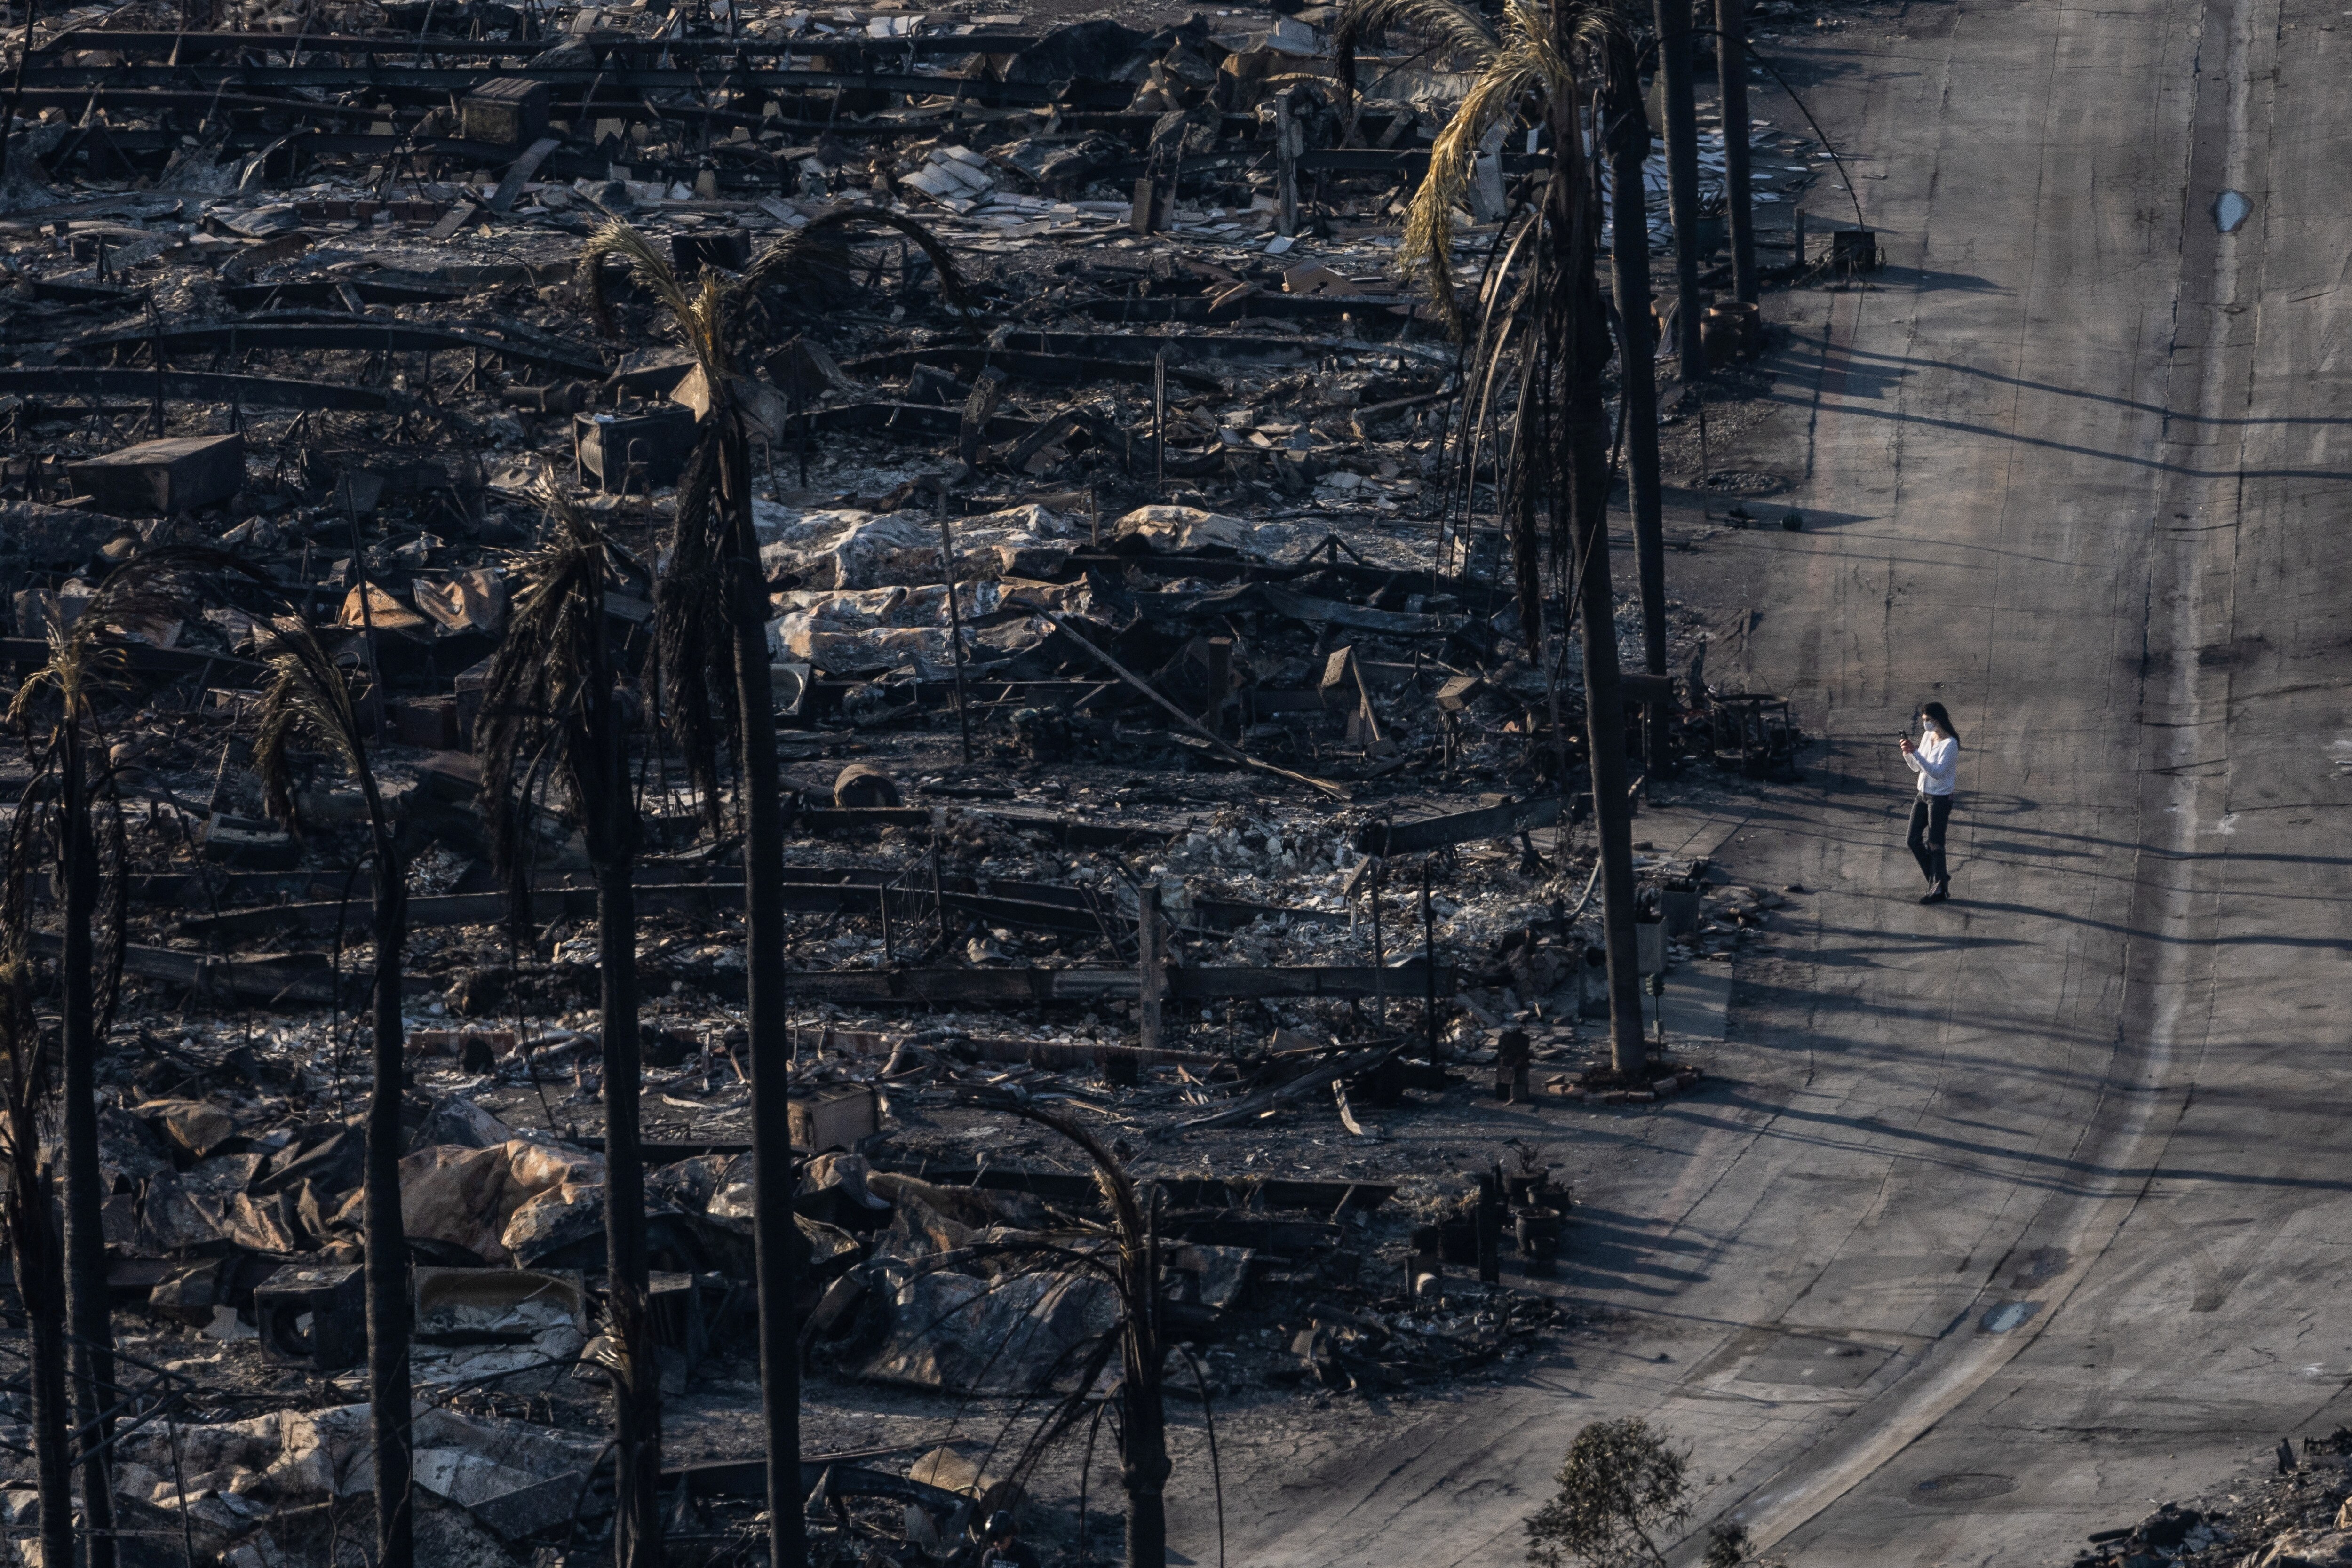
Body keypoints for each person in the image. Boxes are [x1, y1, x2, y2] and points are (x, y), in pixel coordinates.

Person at [1899, 702, 1960, 903]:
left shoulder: (1950, 744)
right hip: (1922, 795)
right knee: (1912, 840)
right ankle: (1939, 878)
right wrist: (1908, 754)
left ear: (1938, 720)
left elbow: (1937, 773)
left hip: (1940, 798)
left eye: (1928, 720)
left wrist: (1915, 753)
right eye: (1924, 720)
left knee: (1935, 843)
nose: (1925, 724)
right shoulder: (1927, 737)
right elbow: (1917, 769)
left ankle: (1938, 889)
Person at [977, 1511, 1041, 1568]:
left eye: (1001, 1541)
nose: (997, 1544)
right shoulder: (990, 1556)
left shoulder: (1025, 1555)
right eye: (994, 1540)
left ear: (1011, 1535)